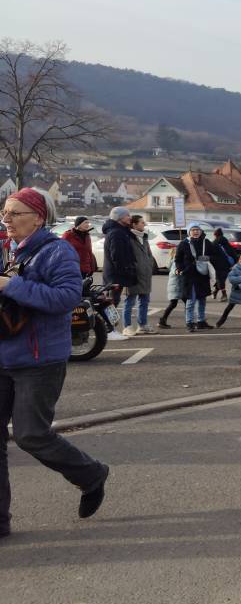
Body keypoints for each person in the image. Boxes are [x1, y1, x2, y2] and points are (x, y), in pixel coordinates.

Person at [1, 187, 110, 538]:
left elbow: (66, 298)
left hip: (39, 360)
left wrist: (10, 286)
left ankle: (90, 474)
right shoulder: (9, 248)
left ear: (38, 217)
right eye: (4, 212)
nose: (6, 219)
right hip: (4, 355)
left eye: (14, 213)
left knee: (31, 435)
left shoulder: (57, 251)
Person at [100, 205, 136, 340]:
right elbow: (117, 256)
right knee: (111, 302)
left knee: (114, 301)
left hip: (116, 273)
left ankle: (111, 329)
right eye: (127, 215)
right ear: (119, 218)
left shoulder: (121, 231)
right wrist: (126, 270)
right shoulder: (116, 233)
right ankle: (109, 330)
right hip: (115, 274)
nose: (130, 218)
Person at [174, 224, 214, 332]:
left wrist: (206, 258)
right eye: (193, 230)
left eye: (197, 229)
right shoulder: (184, 244)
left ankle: (201, 321)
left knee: (202, 299)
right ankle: (189, 322)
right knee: (191, 300)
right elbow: (178, 259)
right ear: (189, 232)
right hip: (189, 276)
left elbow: (215, 255)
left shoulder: (206, 242)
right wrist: (181, 269)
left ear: (201, 231)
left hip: (203, 275)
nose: (196, 232)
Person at [122, 214, 155, 336]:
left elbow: (149, 255)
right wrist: (132, 269)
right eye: (141, 222)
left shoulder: (144, 237)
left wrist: (149, 266)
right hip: (133, 274)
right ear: (134, 224)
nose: (144, 224)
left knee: (144, 301)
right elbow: (125, 256)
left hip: (145, 274)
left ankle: (143, 325)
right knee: (130, 301)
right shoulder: (128, 238)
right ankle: (127, 326)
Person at [215, 253, 241, 329]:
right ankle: (220, 322)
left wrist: (240, 286)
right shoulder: (235, 268)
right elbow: (231, 278)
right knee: (229, 308)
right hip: (235, 293)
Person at [208, 228, 235, 301]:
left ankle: (224, 295)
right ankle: (215, 292)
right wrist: (233, 264)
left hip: (217, 265)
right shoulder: (227, 243)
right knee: (221, 279)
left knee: (220, 280)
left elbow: (211, 255)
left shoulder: (214, 244)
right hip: (227, 265)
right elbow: (233, 254)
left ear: (215, 235)